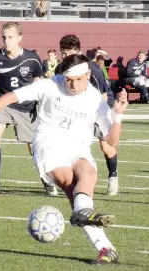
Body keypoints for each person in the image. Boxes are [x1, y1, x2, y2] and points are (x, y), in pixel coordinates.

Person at [0, 54, 127, 265]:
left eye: (78, 79)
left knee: (87, 174)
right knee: (67, 181)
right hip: (48, 143)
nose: (72, 84)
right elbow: (9, 97)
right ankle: (87, 217)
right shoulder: (50, 85)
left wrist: (117, 116)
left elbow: (112, 141)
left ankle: (101, 240)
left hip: (78, 145)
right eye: (69, 79)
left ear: (88, 75)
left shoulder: (95, 100)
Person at [0, 22, 55, 196]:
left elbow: (39, 82)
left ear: (20, 38)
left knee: (32, 146)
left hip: (26, 107)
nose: (7, 41)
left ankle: (46, 179)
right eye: (4, 37)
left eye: (11, 37)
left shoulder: (32, 58)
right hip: (3, 104)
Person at [59, 34, 119, 196]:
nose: (64, 57)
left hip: (97, 108)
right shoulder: (61, 69)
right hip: (75, 112)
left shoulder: (92, 69)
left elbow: (103, 96)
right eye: (62, 54)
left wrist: (101, 119)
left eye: (67, 54)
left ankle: (113, 176)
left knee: (106, 147)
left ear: (77, 51)